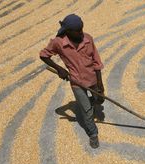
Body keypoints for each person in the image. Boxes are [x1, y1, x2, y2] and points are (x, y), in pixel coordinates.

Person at [40, 14, 104, 148]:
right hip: (76, 82)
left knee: (100, 100)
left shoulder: (88, 39)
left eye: (82, 29)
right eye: (78, 31)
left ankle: (90, 102)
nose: (81, 33)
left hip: (92, 78)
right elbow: (44, 55)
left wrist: (100, 85)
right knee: (87, 111)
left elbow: (97, 62)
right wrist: (59, 69)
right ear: (68, 32)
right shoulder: (58, 42)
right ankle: (93, 134)